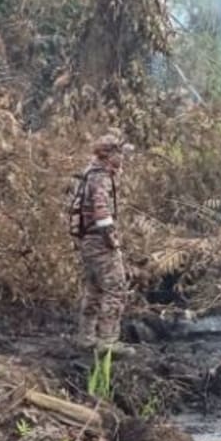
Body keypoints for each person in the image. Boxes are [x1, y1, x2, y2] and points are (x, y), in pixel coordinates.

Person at [68, 132, 135, 355]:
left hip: (87, 241)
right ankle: (108, 342)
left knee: (94, 289)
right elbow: (102, 213)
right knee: (116, 289)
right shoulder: (101, 178)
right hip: (99, 241)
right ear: (110, 155)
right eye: (120, 154)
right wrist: (112, 241)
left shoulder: (89, 173)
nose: (123, 159)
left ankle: (86, 338)